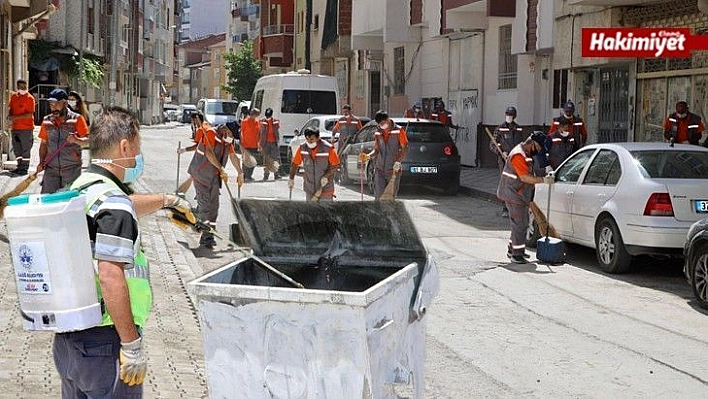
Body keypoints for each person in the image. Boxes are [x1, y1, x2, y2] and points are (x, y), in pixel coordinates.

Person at [57, 106, 196, 397]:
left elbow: (121, 204)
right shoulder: (114, 203)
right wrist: (131, 346)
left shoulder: (80, 188)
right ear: (124, 146)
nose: (136, 157)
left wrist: (168, 200)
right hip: (106, 345)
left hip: (70, 345)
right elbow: (110, 275)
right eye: (137, 148)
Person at [496, 131, 554, 264]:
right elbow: (524, 177)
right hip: (513, 193)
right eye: (538, 148)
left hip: (518, 193)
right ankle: (516, 255)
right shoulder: (519, 154)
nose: (538, 151)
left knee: (520, 224)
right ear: (531, 143)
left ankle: (515, 249)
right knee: (520, 224)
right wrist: (543, 180)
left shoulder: (526, 153)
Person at [185, 119, 243, 248]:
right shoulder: (211, 133)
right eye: (232, 135)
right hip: (200, 174)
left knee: (214, 207)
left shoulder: (227, 140)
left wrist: (240, 172)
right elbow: (209, 153)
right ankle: (207, 236)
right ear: (226, 130)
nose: (232, 138)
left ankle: (205, 229)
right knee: (206, 206)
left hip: (214, 177)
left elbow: (233, 157)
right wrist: (221, 168)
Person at [37, 88, 90, 193]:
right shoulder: (47, 121)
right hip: (51, 169)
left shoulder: (77, 119)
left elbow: (88, 140)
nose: (53, 107)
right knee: (47, 200)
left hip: (71, 170)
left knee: (69, 201)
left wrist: (76, 140)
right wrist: (41, 162)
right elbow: (44, 143)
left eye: (56, 104)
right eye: (51, 104)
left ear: (65, 103)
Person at [360, 110, 409, 200]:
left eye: (383, 123)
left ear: (388, 119)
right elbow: (376, 150)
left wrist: (398, 162)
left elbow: (405, 148)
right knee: (378, 197)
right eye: (379, 124)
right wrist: (368, 156)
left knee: (390, 198)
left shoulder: (399, 131)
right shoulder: (378, 132)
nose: (382, 126)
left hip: (393, 170)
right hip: (380, 170)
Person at [288, 127, 340, 201]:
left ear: (318, 138)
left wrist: (326, 176)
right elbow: (295, 164)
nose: (309, 142)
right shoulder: (302, 148)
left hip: (326, 189)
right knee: (310, 211)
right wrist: (291, 178)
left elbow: (335, 165)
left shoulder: (328, 148)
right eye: (307, 139)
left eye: (312, 139)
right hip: (310, 189)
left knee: (325, 211)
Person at [491, 106, 525, 218]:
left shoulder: (519, 129)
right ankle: (505, 208)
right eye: (508, 114)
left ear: (515, 116)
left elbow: (522, 144)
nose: (509, 117)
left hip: (516, 160)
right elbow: (493, 144)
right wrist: (501, 152)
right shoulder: (499, 128)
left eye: (511, 115)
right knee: (506, 183)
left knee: (517, 182)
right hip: (504, 160)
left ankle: (515, 206)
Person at [7, 78, 36, 176]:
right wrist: (10, 117)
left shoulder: (30, 98)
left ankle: (24, 168)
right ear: (17, 87)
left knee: (26, 149)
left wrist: (15, 117)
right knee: (17, 148)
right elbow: (11, 108)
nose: (23, 88)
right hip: (15, 128)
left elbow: (29, 114)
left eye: (24, 87)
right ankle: (19, 166)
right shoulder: (14, 97)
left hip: (26, 128)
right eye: (21, 87)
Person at [259, 107, 281, 181]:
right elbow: (260, 132)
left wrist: (278, 140)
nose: (268, 117)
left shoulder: (275, 122)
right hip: (265, 144)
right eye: (267, 115)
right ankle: (266, 175)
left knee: (275, 159)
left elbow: (277, 130)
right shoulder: (262, 121)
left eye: (269, 115)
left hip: (274, 143)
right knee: (266, 160)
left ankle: (276, 174)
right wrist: (260, 144)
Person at [240, 108, 261, 181]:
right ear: (252, 114)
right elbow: (241, 133)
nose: (256, 116)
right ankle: (243, 175)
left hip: (254, 145)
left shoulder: (257, 122)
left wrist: (259, 144)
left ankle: (249, 176)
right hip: (246, 144)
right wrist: (241, 144)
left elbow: (259, 133)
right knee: (246, 161)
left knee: (253, 161)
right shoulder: (245, 122)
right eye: (256, 115)